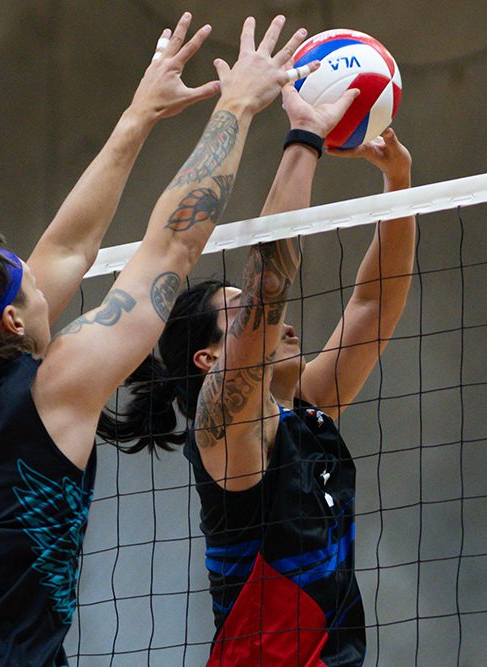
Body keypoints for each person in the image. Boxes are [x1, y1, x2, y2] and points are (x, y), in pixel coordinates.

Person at [0, 13, 312, 665]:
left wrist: (139, 115)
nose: (45, 277)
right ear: (14, 323)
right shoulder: (55, 386)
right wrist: (238, 106)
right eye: (30, 284)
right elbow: (175, 243)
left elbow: (70, 246)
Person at [98, 91, 415, 664]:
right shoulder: (224, 433)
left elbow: (371, 306)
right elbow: (269, 283)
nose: (275, 322)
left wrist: (398, 182)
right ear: (209, 358)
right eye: (240, 316)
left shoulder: (304, 410)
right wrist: (304, 138)